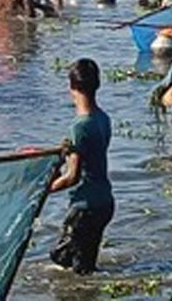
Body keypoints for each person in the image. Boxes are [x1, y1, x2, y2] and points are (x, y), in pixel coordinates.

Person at [48, 58, 114, 275]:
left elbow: (72, 177)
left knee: (63, 258)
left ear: (72, 87)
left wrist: (43, 189)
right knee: (85, 268)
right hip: (105, 202)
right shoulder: (103, 118)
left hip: (85, 207)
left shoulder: (80, 126)